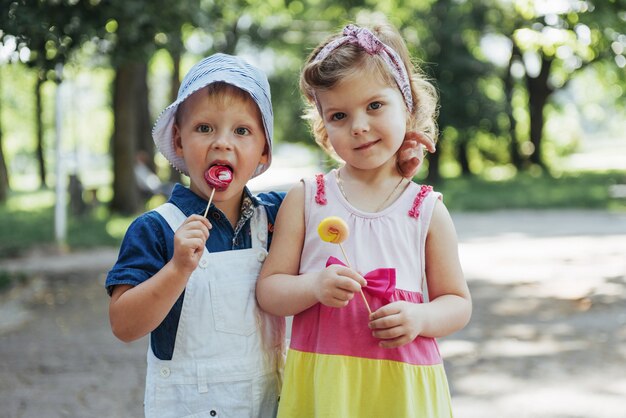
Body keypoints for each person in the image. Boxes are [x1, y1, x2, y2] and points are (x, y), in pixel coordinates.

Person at [106, 53, 433, 418]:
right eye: (204, 128)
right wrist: (178, 269)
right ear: (179, 143)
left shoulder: (278, 213)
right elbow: (124, 325)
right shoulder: (156, 229)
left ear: (264, 149)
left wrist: (392, 154)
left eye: (241, 131)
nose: (222, 143)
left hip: (269, 405)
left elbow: (343, 191)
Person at [256, 22, 472, 418]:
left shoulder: (425, 209)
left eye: (375, 106)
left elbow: (457, 303)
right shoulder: (307, 198)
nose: (358, 126)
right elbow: (269, 291)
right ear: (324, 127)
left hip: (401, 388)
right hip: (326, 385)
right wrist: (314, 285)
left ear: (406, 105)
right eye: (339, 115)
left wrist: (421, 317)